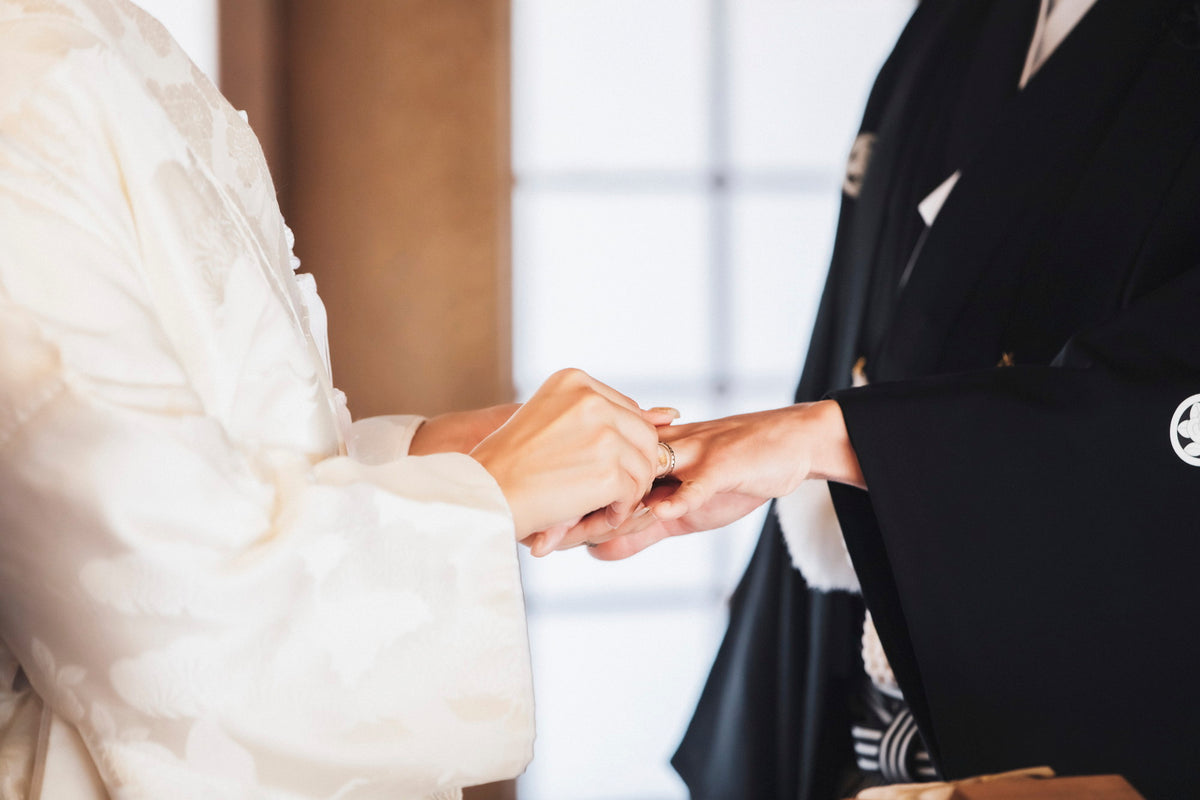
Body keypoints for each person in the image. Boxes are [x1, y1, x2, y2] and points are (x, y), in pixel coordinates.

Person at [0, 1, 674, 797]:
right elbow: (153, 603)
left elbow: (226, 440)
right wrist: (481, 496)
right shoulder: (27, 79)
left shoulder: (101, 38)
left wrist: (427, 459)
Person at [542, 1, 1200, 798]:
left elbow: (1166, 406)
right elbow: (859, 328)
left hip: (1070, 717)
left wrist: (829, 440)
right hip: (849, 671)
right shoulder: (958, 21)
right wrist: (755, 459)